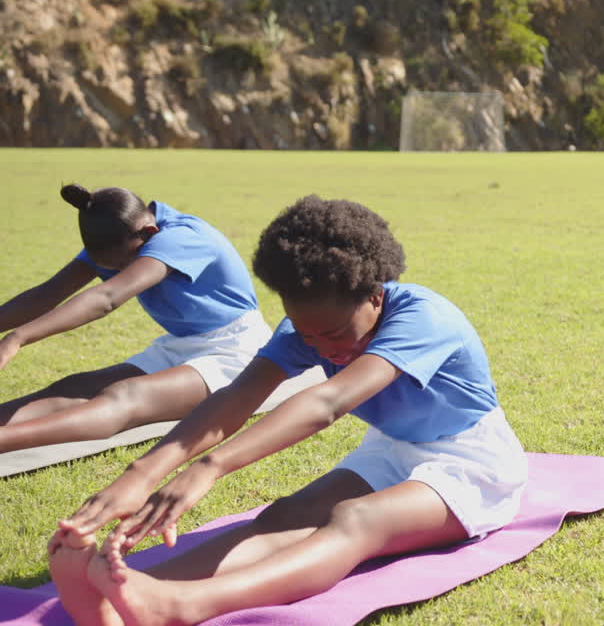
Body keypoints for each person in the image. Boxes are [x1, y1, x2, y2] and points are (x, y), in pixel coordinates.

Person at [50, 195, 527, 626]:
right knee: (285, 516)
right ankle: (117, 596)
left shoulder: (424, 319)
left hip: (471, 463)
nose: (324, 347)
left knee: (357, 520)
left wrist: (210, 468)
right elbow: (235, 398)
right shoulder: (309, 327)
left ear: (375, 296)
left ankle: (182, 606)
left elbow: (328, 402)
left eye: (337, 333)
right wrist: (142, 472)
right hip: (392, 450)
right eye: (308, 335)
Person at [0, 184, 269, 454]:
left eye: (123, 266)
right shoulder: (122, 238)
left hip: (237, 349)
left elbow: (107, 297)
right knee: (73, 387)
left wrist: (18, 337)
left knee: (124, 396)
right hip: (182, 344)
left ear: (149, 234)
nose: (120, 272)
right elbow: (50, 292)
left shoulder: (182, 238)